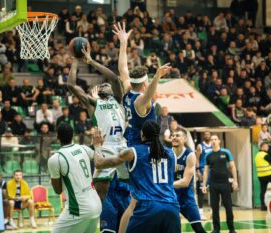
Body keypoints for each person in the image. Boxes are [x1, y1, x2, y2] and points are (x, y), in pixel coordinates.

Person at [67, 45, 130, 232]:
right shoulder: (94, 104)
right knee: (99, 197)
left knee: (134, 194)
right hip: (106, 147)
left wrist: (91, 61)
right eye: (101, 85)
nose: (104, 84)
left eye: (107, 85)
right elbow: (72, 86)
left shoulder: (118, 99)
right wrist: (75, 61)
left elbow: (113, 77)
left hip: (124, 147)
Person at [93, 120, 181, 233]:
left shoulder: (133, 152)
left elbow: (99, 163)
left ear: (142, 134)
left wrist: (97, 146)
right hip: (172, 207)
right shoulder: (172, 154)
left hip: (147, 207)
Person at [115, 22, 172, 146]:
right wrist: (157, 76)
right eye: (147, 80)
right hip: (142, 145)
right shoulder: (140, 100)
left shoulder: (128, 90)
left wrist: (123, 43)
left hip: (131, 140)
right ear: (143, 85)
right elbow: (148, 95)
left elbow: (122, 69)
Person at [48, 123, 102, 233]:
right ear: (73, 135)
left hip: (78, 209)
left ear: (57, 137)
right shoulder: (83, 148)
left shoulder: (55, 158)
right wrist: (97, 145)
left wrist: (53, 178)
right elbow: (100, 160)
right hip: (96, 204)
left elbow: (58, 190)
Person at [172, 130, 206, 233]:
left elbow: (185, 182)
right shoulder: (167, 154)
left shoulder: (190, 155)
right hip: (171, 198)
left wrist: (166, 185)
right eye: (172, 135)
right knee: (172, 229)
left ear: (184, 139)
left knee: (198, 228)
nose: (174, 137)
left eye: (177, 135)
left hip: (186, 197)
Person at [202, 134, 238, 233]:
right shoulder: (208, 155)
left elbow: (232, 167)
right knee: (215, 207)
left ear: (219, 141)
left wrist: (235, 180)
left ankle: (231, 228)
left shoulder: (226, 152)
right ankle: (216, 229)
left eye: (215, 139)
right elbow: (205, 171)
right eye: (212, 139)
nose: (213, 141)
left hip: (225, 184)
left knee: (228, 207)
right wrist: (204, 185)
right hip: (213, 184)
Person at [255, 142, 271, 211]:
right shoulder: (264, 154)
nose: (268, 148)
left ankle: (263, 206)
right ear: (262, 147)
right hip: (268, 174)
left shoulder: (257, 155)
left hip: (261, 175)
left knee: (263, 191)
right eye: (266, 147)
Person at [195, 131, 212, 219]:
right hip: (202, 169)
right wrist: (197, 170)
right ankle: (201, 212)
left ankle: (213, 211)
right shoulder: (200, 146)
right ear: (203, 136)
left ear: (210, 135)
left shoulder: (213, 145)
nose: (206, 135)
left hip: (212, 170)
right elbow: (197, 159)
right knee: (202, 191)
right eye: (205, 134)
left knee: (213, 190)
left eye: (208, 134)